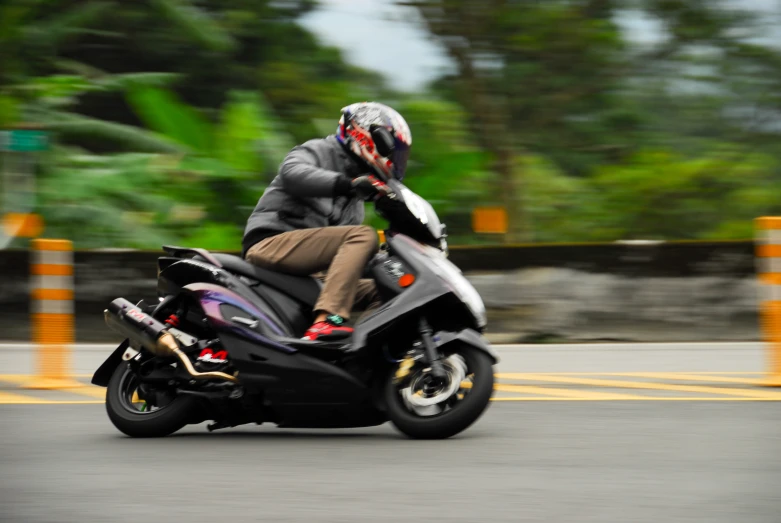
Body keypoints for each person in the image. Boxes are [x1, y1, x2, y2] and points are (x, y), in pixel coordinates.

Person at [241, 102, 413, 342]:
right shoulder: (319, 150)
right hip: (271, 244)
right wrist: (348, 184)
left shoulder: (356, 199)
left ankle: (361, 350)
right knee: (363, 235)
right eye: (392, 151)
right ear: (368, 136)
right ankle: (327, 320)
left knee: (388, 289)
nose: (395, 160)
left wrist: (392, 261)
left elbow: (349, 257)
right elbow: (292, 173)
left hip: (315, 273)